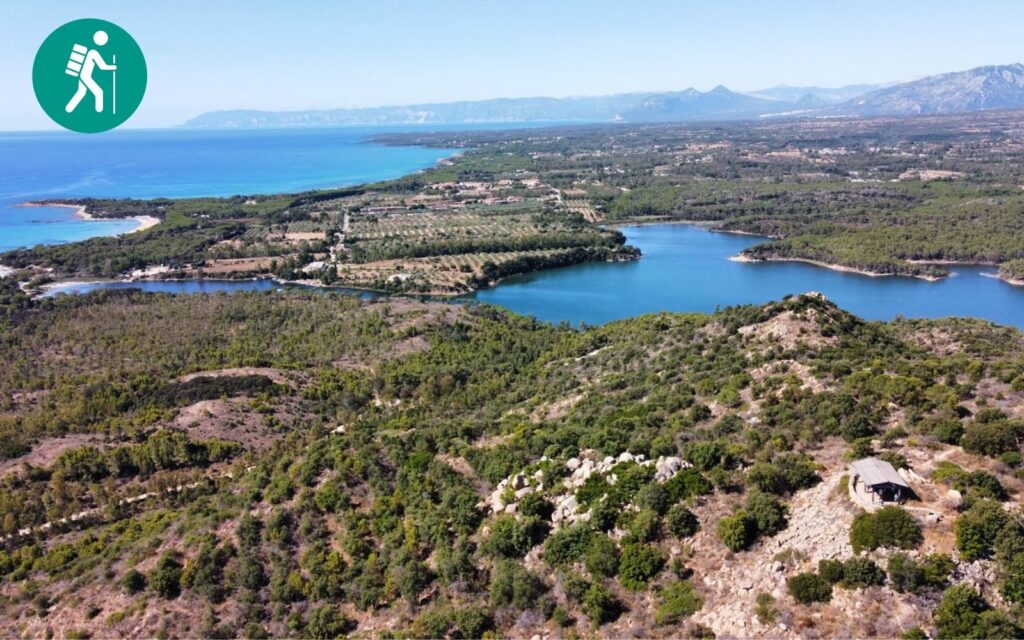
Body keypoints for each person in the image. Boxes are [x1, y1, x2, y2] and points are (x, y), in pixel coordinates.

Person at [65, 30, 117, 113]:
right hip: (85, 76)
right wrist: (114, 67)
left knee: (81, 92)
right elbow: (102, 66)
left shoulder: (91, 52)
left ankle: (68, 109)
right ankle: (100, 114)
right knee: (99, 92)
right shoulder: (93, 52)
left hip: (82, 75)